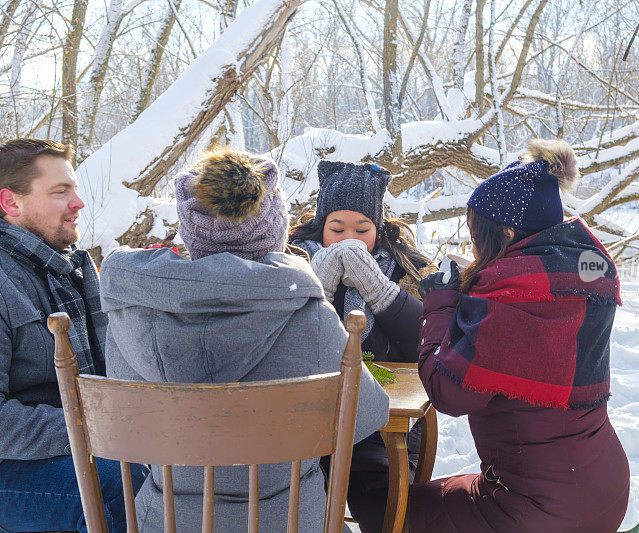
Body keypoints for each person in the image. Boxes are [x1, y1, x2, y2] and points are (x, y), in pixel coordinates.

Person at [99, 148, 389, 531]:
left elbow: (127, 426)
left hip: (168, 519)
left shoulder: (130, 310)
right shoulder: (308, 313)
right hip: (286, 520)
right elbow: (366, 415)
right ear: (274, 230)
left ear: (190, 228)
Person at [408, 139, 630, 532]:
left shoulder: (508, 297)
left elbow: (448, 392)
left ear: (506, 234)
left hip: (536, 511)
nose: (474, 248)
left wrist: (441, 303)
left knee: (400, 510)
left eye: (477, 236)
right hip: (605, 492)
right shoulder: (583, 274)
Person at [0, 138, 147, 532]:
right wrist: (94, 429)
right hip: (13, 464)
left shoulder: (72, 270)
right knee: (120, 483)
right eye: (60, 192)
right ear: (11, 203)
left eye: (76, 190)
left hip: (82, 443)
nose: (78, 203)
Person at [289, 160, 436, 532]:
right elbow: (282, 340)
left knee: (386, 510)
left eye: (362, 229)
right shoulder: (290, 263)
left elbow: (427, 337)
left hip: (383, 427)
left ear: (379, 227)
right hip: (306, 424)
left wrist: (379, 290)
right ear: (320, 226)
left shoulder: (406, 267)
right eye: (336, 229)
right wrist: (316, 286)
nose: (348, 239)